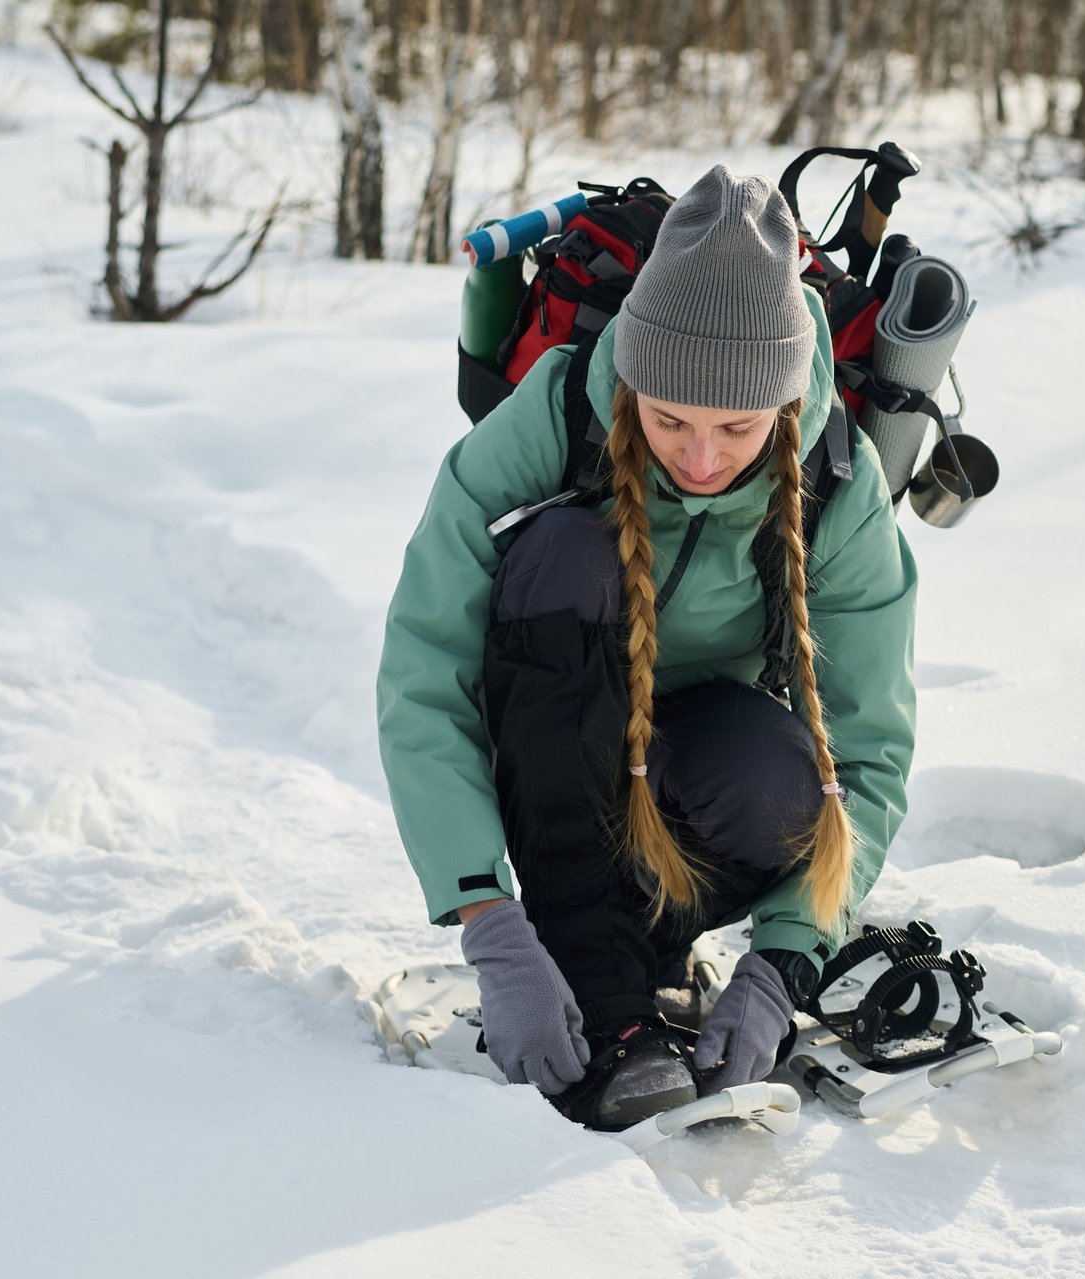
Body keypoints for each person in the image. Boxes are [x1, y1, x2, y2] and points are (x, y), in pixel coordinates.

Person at [375, 164, 918, 1130]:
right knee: (561, 554)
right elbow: (426, 666)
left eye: (737, 427)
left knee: (785, 781)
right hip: (544, 740)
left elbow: (870, 748)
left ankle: (646, 945)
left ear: (785, 404)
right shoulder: (557, 414)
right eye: (669, 420)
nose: (701, 459)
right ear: (632, 383)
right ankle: (603, 1000)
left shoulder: (840, 479)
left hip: (688, 778)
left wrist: (783, 960)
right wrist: (488, 924)